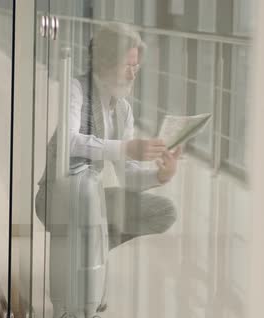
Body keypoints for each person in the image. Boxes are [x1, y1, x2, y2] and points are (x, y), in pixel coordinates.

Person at [35, 22, 180, 250]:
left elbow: (128, 177)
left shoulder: (124, 110)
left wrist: (160, 176)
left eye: (136, 67)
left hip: (90, 197)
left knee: (164, 211)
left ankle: (93, 248)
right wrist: (125, 148)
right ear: (105, 63)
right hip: (57, 197)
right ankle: (90, 249)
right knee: (91, 205)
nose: (133, 74)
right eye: (127, 66)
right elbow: (69, 141)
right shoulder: (77, 89)